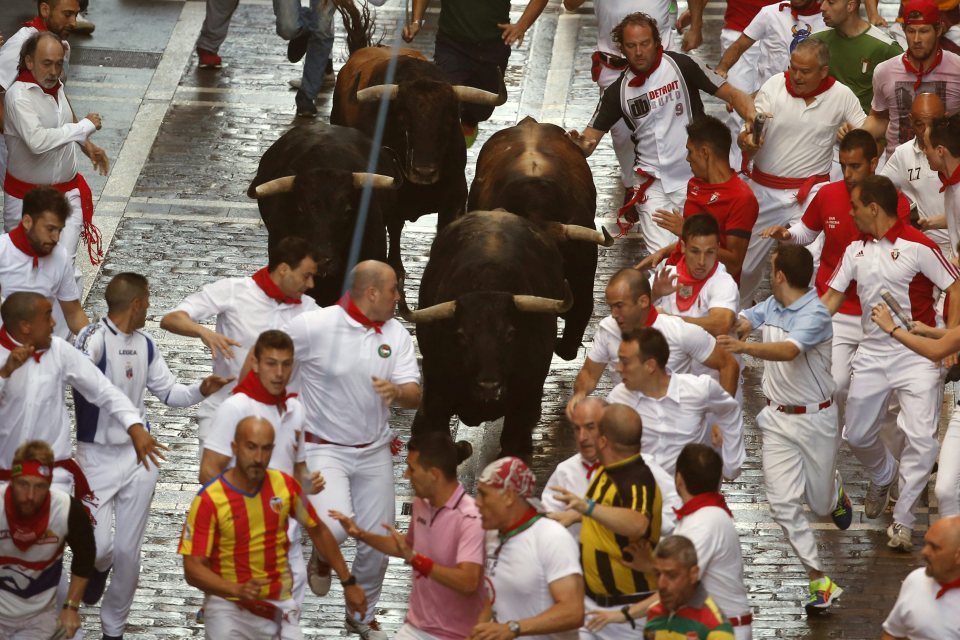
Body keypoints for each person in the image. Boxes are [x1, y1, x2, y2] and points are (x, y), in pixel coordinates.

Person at [72, 272, 232, 639]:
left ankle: (113, 629)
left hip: (138, 460)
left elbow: (170, 392)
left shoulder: (145, 345)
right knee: (98, 549)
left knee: (129, 554)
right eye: (148, 300)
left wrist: (201, 389)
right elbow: (79, 379)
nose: (150, 306)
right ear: (137, 303)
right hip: (95, 459)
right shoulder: (92, 340)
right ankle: (97, 568)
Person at [283, 259, 420, 640]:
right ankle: (323, 553)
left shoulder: (398, 335)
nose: (398, 297)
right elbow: (270, 357)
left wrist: (397, 392)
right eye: (394, 289)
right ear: (372, 292)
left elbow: (414, 392)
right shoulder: (315, 325)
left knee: (380, 541)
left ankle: (362, 616)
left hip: (374, 450)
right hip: (323, 448)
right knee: (332, 528)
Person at [822, 175, 960, 551]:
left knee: (921, 439)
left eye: (854, 207)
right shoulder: (855, 251)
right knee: (857, 434)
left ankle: (903, 521)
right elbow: (830, 300)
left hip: (918, 355)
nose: (849, 214)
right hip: (872, 353)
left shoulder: (919, 246)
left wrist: (951, 334)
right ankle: (884, 475)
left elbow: (955, 286)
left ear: (873, 208)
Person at [718, 245, 851, 613]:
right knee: (781, 504)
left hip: (817, 420)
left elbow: (789, 351)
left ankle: (835, 491)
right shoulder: (773, 304)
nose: (768, 273)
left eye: (771, 268)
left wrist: (743, 346)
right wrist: (737, 322)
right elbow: (748, 318)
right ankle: (818, 580)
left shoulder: (816, 315)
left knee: (820, 505)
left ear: (779, 275)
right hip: (777, 420)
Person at [568, 12, 756, 252]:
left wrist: (752, 119)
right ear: (622, 49)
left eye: (644, 44)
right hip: (652, 185)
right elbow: (589, 141)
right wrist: (576, 142)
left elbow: (732, 94)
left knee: (701, 253)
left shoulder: (683, 65)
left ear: (657, 42)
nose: (639, 52)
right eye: (631, 46)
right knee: (663, 263)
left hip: (695, 180)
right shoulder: (617, 92)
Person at [762, 129, 911, 420]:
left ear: (873, 162)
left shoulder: (896, 203)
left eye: (855, 166)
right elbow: (807, 231)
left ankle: (869, 441)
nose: (847, 173)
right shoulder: (827, 194)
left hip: (878, 311)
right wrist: (788, 235)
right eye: (842, 165)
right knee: (838, 384)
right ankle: (840, 436)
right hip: (837, 309)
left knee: (887, 394)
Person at [179, 417, 367, 639]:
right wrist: (235, 590)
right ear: (234, 448)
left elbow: (319, 531)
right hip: (227, 608)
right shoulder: (209, 500)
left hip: (277, 605)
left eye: (266, 449)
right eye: (251, 447)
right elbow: (192, 569)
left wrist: (349, 582)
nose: (258, 458)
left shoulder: (284, 486)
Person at [737, 37, 866, 304]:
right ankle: (735, 322)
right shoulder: (774, 86)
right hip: (764, 191)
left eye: (805, 71)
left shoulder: (842, 95)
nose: (796, 76)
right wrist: (747, 139)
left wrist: (853, 134)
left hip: (811, 193)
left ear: (823, 71)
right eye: (793, 67)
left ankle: (808, 328)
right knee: (745, 266)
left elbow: (866, 137)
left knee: (813, 264)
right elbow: (751, 126)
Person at [200, 329, 321, 612]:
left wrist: (308, 483)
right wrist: (242, 512)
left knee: (290, 610)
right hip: (243, 539)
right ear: (254, 363)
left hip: (285, 536)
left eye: (286, 364)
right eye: (271, 363)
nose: (279, 373)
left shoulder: (295, 410)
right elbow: (208, 471)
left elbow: (298, 468)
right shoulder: (235, 408)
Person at [160, 236, 319, 446]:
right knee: (213, 479)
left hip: (279, 425)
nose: (311, 284)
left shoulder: (311, 310)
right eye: (306, 276)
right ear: (283, 269)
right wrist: (202, 331)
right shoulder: (233, 291)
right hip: (223, 413)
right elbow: (171, 318)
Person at [330, 433, 484, 640]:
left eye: (412, 469)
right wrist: (361, 534)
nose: (405, 475)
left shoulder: (470, 518)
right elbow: (406, 545)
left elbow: (468, 582)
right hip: (417, 626)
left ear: (434, 475)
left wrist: (416, 560)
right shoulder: (423, 504)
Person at [590, 444, 751, 640]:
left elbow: (679, 586)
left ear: (679, 479)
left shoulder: (704, 522)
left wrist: (621, 615)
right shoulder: (704, 516)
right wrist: (650, 565)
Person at [0, 292, 152, 497]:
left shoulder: (60, 350)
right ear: (25, 326)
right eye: (47, 317)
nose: (54, 323)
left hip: (54, 478)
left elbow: (102, 389)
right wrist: (5, 374)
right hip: (4, 479)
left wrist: (134, 425)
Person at [550, 404, 664, 640]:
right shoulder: (608, 471)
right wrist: (576, 515)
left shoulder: (637, 477)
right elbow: (611, 512)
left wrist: (586, 507)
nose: (583, 437)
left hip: (630, 611)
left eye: (591, 429)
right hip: (593, 605)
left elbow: (638, 523)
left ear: (604, 440)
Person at [3, 31, 108, 285]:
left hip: (67, 194)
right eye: (46, 63)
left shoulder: (57, 87)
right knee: (24, 272)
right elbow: (38, 142)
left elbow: (63, 123)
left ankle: (70, 324)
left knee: (64, 267)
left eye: (59, 64)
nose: (54, 71)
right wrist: (83, 127)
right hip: (26, 201)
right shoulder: (18, 96)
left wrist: (86, 144)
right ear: (29, 62)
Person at [566, 268, 739, 418]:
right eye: (611, 306)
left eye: (619, 305)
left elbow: (728, 364)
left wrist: (722, 418)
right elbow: (589, 374)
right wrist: (580, 393)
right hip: (628, 431)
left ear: (643, 301)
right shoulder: (607, 329)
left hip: (676, 431)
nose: (614, 314)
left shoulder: (680, 331)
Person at [564, 0, 678, 189]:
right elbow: (570, 4)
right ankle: (633, 185)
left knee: (668, 127)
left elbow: (726, 91)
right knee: (622, 134)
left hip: (662, 61)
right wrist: (582, 144)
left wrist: (696, 25)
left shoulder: (683, 67)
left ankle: (664, 183)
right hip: (614, 65)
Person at [403, 0, 549, 147]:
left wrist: (522, 26)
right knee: (444, 102)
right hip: (452, 44)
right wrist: (416, 21)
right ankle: (443, 155)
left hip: (493, 46)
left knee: (482, 110)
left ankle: (470, 120)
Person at [470, 456, 584, 640]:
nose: (477, 502)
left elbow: (573, 611)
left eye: (484, 494)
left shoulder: (551, 537)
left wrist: (513, 628)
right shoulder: (492, 535)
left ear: (508, 497)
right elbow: (492, 597)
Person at [607, 328, 745, 480]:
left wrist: (731, 464)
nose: (618, 369)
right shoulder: (617, 399)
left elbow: (730, 410)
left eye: (625, 362)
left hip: (688, 497)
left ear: (650, 365)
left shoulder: (699, 390)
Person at [638, 115, 758, 280]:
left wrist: (687, 231)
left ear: (705, 153)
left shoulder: (742, 198)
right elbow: (688, 243)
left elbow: (734, 264)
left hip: (708, 290)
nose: (688, 158)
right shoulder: (694, 184)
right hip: (677, 277)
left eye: (690, 151)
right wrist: (663, 253)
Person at [543, 397, 680, 540]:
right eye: (577, 429)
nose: (582, 437)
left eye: (590, 427)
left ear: (607, 428)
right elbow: (547, 520)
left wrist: (651, 527)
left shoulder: (641, 467)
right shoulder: (565, 471)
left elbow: (675, 506)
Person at [0, 440, 95, 640]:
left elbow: (86, 555)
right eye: (23, 485)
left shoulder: (68, 510)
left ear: (50, 484)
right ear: (12, 480)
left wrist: (71, 607)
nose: (30, 496)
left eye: (39, 487)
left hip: (39, 619)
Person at [681, 0, 779, 166]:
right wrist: (695, 23)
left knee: (776, 106)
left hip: (781, 28)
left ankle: (769, 167)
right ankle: (736, 172)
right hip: (738, 30)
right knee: (738, 112)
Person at [863, 0, 960, 155]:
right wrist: (857, 135)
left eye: (923, 31)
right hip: (898, 168)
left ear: (938, 30)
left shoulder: (957, 69)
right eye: (910, 31)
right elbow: (879, 118)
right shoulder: (884, 71)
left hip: (943, 168)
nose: (916, 40)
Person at [0, 186, 88, 338]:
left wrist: (98, 342)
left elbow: (73, 313)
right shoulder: (2, 251)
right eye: (50, 229)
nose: (56, 238)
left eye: (60, 230)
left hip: (43, 347)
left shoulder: (60, 255)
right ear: (27, 222)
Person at [880, 92, 953, 258]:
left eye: (934, 123)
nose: (927, 131)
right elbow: (877, 190)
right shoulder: (903, 155)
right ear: (911, 120)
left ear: (945, 119)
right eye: (920, 124)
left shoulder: (956, 151)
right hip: (929, 249)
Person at [649, 214, 740, 339]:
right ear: (683, 247)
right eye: (695, 251)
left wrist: (667, 320)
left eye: (709, 252)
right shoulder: (665, 276)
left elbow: (720, 325)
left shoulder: (724, 282)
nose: (702, 261)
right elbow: (630, 312)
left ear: (717, 249)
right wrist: (654, 295)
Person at [813, 0, 902, 113]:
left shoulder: (884, 47)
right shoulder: (815, 42)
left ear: (850, 6)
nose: (822, 7)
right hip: (824, 123)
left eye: (831, 2)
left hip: (865, 126)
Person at [714, 0, 826, 90]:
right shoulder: (771, 13)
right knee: (740, 114)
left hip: (816, 94)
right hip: (771, 97)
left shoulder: (829, 17)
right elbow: (739, 45)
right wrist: (722, 68)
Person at [881, 515, 960, 638]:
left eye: (934, 547)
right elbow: (893, 633)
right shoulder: (916, 580)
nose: (924, 552)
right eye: (926, 543)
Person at [642, 536, 736, 639]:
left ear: (693, 574)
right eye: (657, 574)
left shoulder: (716, 625)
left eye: (672, 575)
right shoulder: (653, 611)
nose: (661, 584)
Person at [925, 111, 960, 256]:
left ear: (940, 151)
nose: (924, 151)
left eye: (926, 146)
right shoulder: (952, 186)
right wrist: (929, 223)